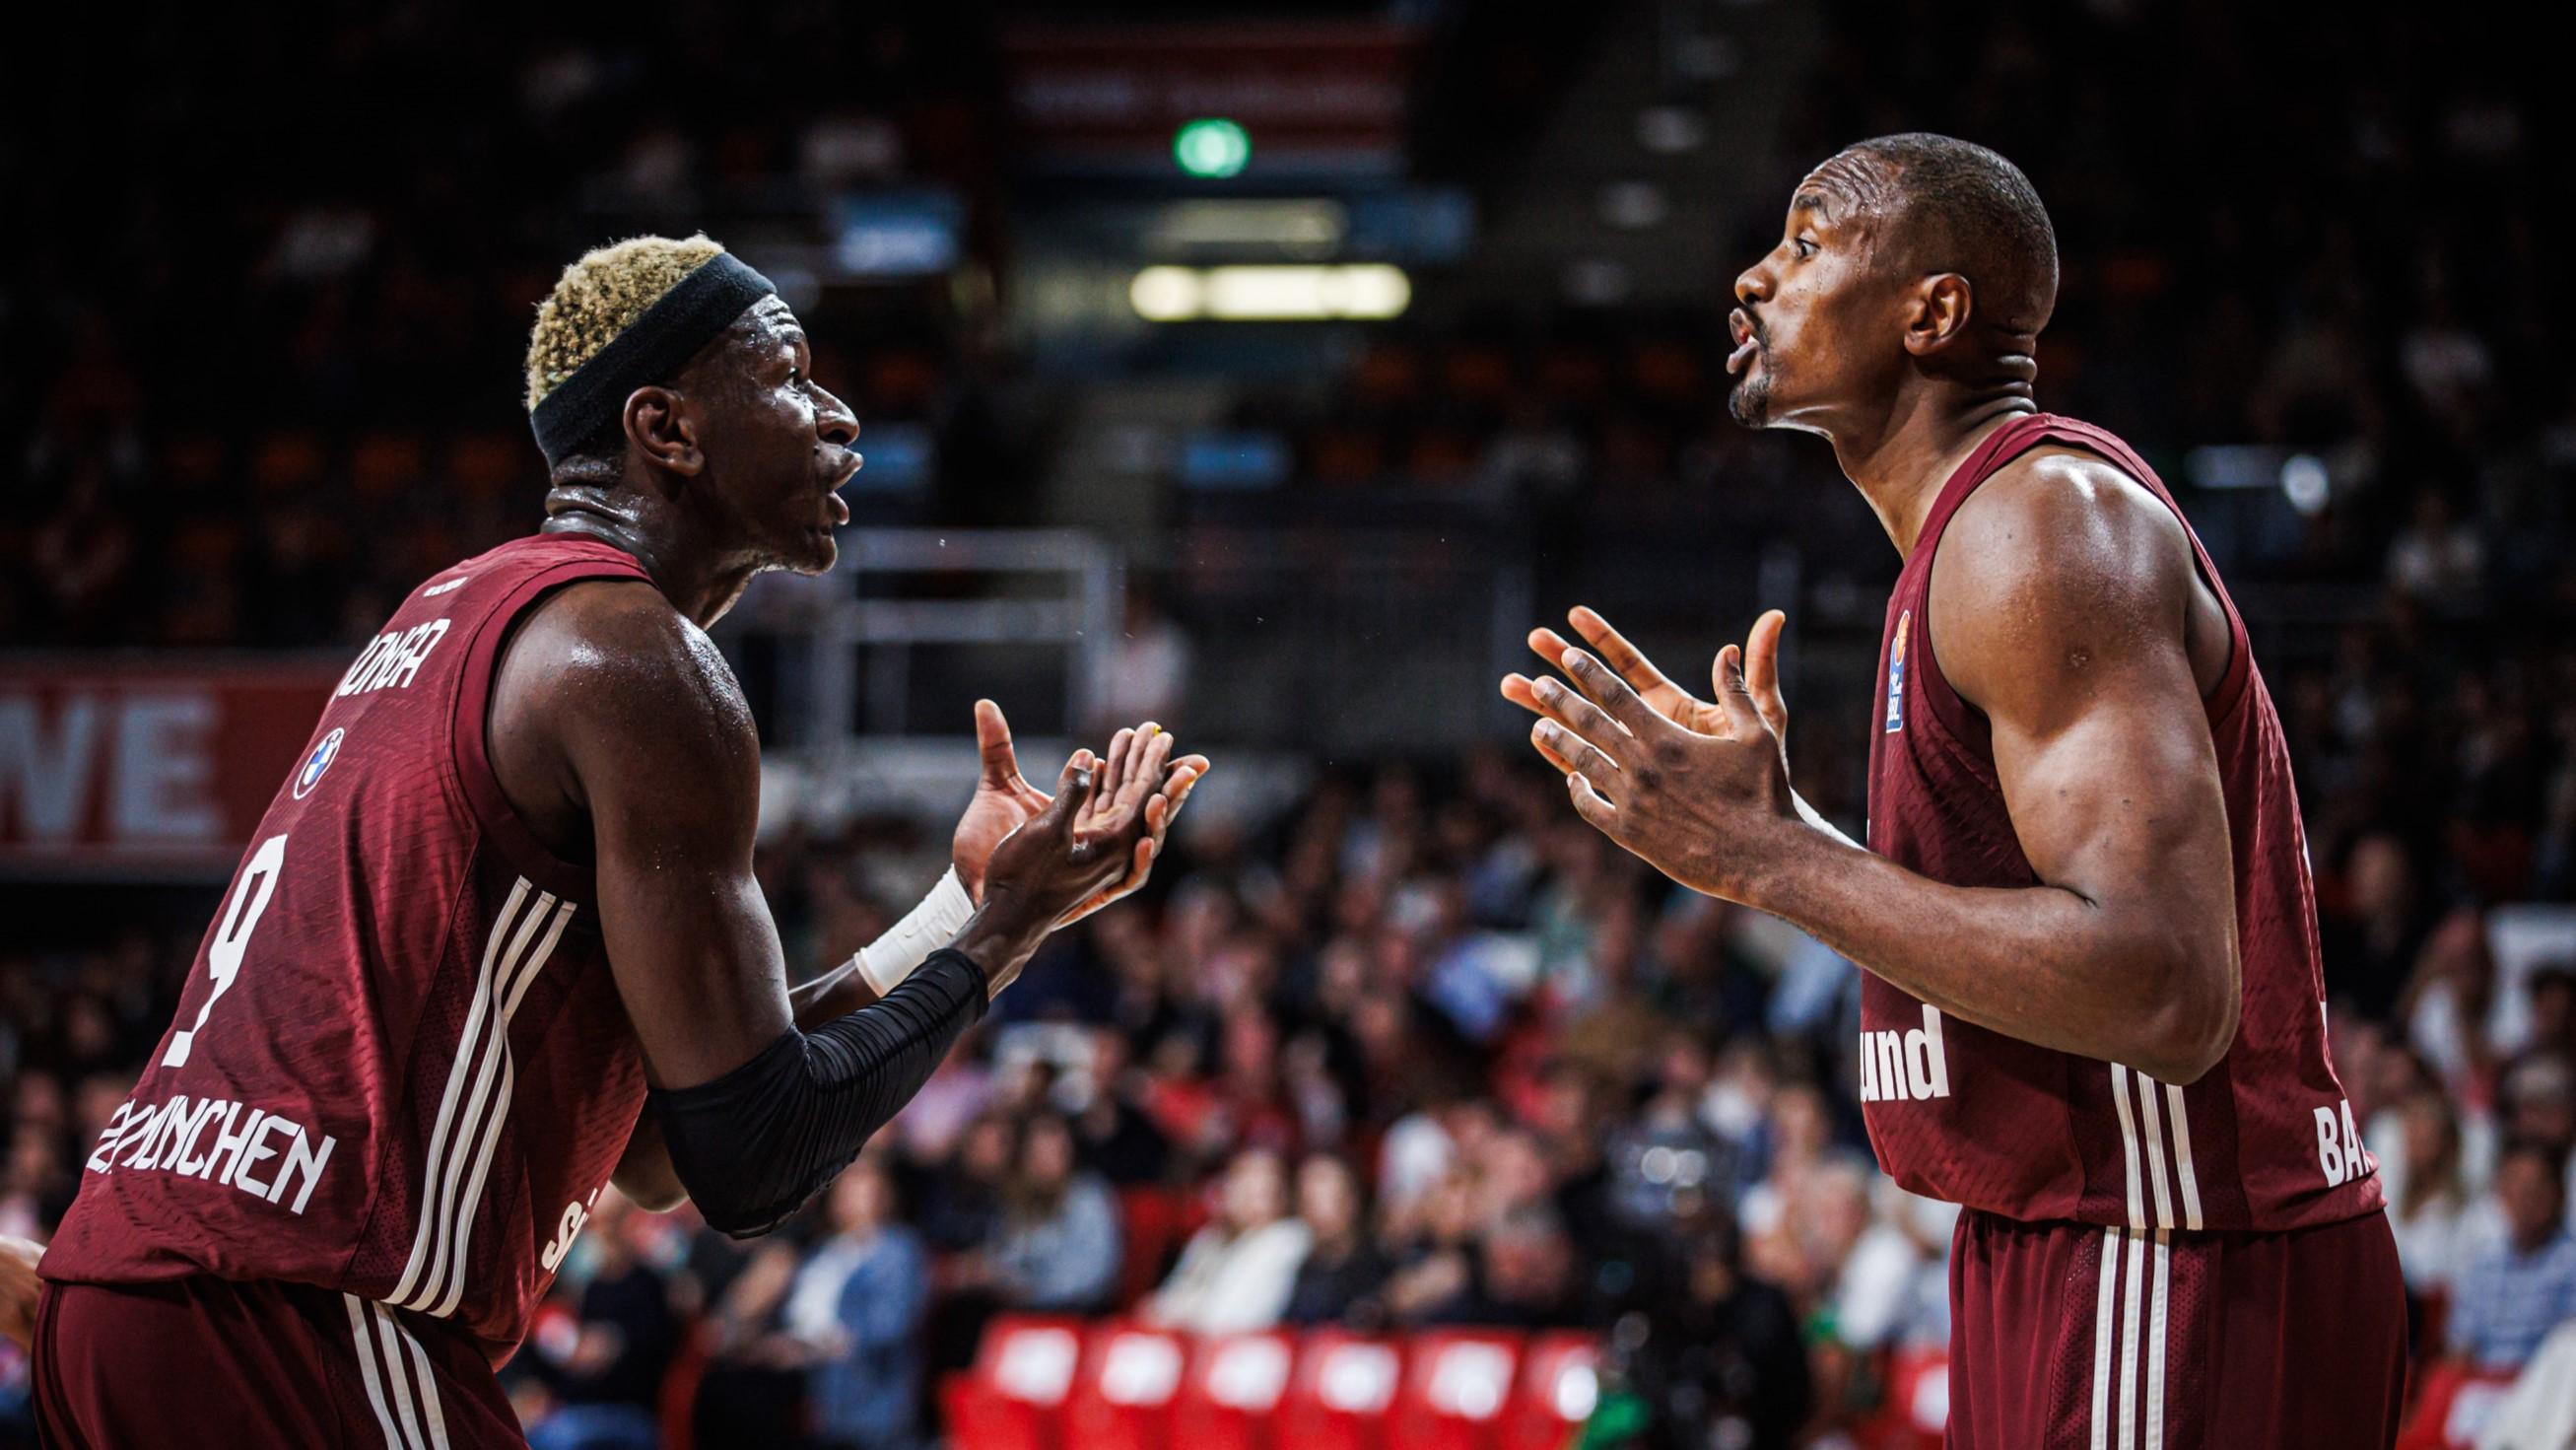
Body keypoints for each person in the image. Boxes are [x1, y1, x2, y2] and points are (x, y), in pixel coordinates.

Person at [27, 235, 1206, 1448]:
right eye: (793, 377)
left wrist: (960, 911)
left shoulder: (457, 608)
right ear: (667, 427)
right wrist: (1010, 930)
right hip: (297, 1308)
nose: (841, 417)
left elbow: (658, 1147)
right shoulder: (634, 658)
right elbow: (754, 1156)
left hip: (139, 1290)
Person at [1504, 135, 2406, 1446]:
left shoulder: (2035, 529)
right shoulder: (1973, 537)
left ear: (1932, 310)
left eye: (1807, 244)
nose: (1752, 279)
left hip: (2171, 1249)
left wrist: (1771, 859)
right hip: (2084, 1244)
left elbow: (2160, 980)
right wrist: (1776, 842)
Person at [1142, 1146, 1310, 1335]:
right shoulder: (1208, 1238)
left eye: (1259, 1191)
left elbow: (1227, 1319)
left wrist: (1181, 1312)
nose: (1244, 1196)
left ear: (1280, 1196)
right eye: (1240, 1183)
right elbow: (1160, 1306)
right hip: (1190, 1347)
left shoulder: (1285, 1240)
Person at [2445, 1139, 2576, 1372]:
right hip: (2483, 1391)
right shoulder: (2484, 1265)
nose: (2526, 1196)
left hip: (2546, 1390)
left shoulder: (2570, 1263)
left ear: (2560, 1194)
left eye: (2536, 1185)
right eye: (2515, 1184)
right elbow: (2460, 1350)